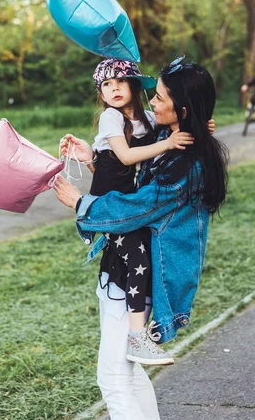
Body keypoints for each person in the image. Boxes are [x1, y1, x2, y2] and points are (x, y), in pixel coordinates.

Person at [54, 57, 228, 420]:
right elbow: (134, 184)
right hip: (125, 265)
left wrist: (80, 203)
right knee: (129, 376)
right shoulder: (175, 144)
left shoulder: (186, 162)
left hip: (140, 274)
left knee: (113, 379)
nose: (152, 101)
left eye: (160, 97)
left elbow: (137, 208)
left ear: (181, 109)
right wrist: (94, 161)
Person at [82, 58, 195, 365]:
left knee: (142, 253)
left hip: (129, 200)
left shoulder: (146, 118)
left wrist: (199, 125)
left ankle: (140, 330)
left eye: (120, 81)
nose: (114, 88)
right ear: (101, 94)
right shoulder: (110, 118)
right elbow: (126, 156)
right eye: (106, 84)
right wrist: (169, 144)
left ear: (134, 84)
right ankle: (136, 336)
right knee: (138, 256)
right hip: (109, 203)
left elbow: (175, 122)